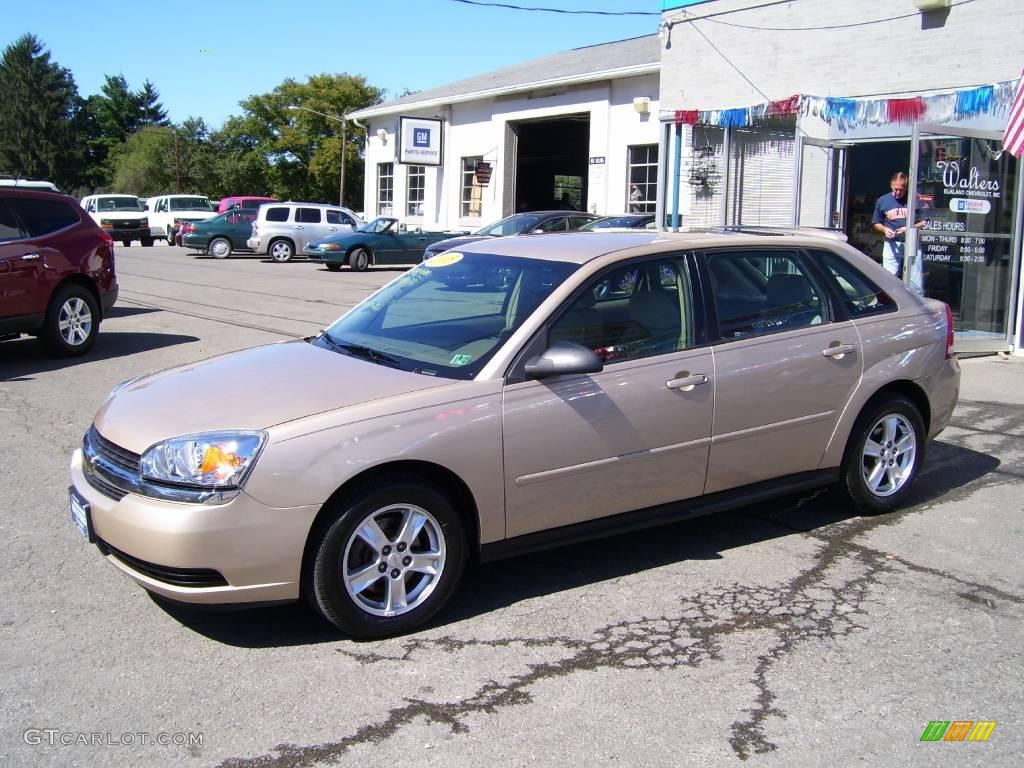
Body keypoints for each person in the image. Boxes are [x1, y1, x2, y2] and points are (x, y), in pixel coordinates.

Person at [872, 171, 925, 291]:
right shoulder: (883, 200)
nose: (898, 192)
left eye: (901, 189)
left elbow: (925, 221)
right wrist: (885, 229)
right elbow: (876, 223)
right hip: (892, 242)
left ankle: (916, 305)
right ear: (891, 186)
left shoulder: (915, 199)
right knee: (888, 279)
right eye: (895, 189)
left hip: (912, 242)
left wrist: (910, 228)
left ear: (906, 188)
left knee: (915, 282)